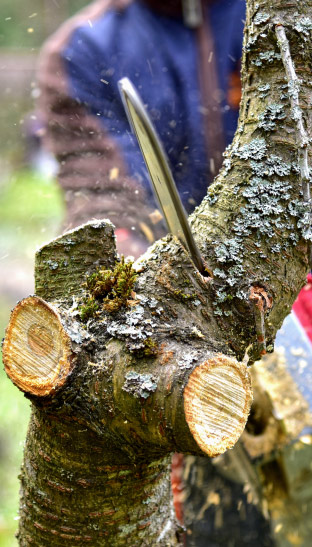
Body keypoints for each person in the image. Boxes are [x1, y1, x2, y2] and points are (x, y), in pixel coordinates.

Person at [37, 1, 275, 544]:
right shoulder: (85, 48)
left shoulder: (274, 19)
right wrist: (150, 304)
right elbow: (106, 203)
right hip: (179, 323)